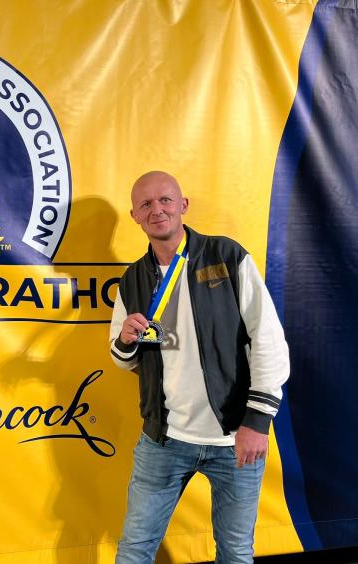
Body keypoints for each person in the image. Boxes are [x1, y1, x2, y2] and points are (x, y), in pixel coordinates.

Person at [110, 171, 289, 564]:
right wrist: (124, 341)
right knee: (135, 549)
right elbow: (123, 359)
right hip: (164, 440)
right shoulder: (133, 279)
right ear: (135, 216)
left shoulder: (226, 256)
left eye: (165, 200)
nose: (157, 210)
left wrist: (257, 421)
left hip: (235, 438)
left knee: (236, 552)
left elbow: (269, 340)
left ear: (183, 205)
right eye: (146, 205)